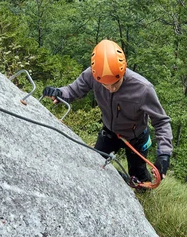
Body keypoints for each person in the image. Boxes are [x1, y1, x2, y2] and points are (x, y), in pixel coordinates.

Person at [43, 39, 172, 186]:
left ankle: (142, 191)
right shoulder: (92, 75)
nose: (111, 89)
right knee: (94, 165)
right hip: (110, 132)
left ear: (123, 71)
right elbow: (73, 90)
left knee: (139, 176)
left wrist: (164, 154)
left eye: (115, 83)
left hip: (136, 139)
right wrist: (59, 93)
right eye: (105, 84)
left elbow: (161, 122)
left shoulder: (143, 89)